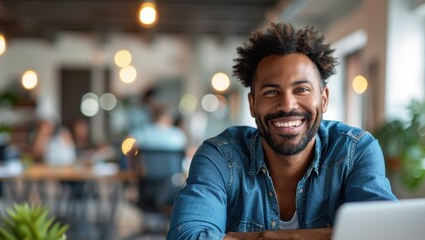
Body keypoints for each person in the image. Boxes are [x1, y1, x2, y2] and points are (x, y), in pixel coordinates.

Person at [167, 22, 397, 239]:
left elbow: (387, 232)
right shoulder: (219, 156)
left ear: (324, 99)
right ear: (252, 103)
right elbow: (186, 235)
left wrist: (265, 237)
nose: (288, 105)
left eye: (302, 89)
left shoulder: (355, 150)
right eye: (271, 92)